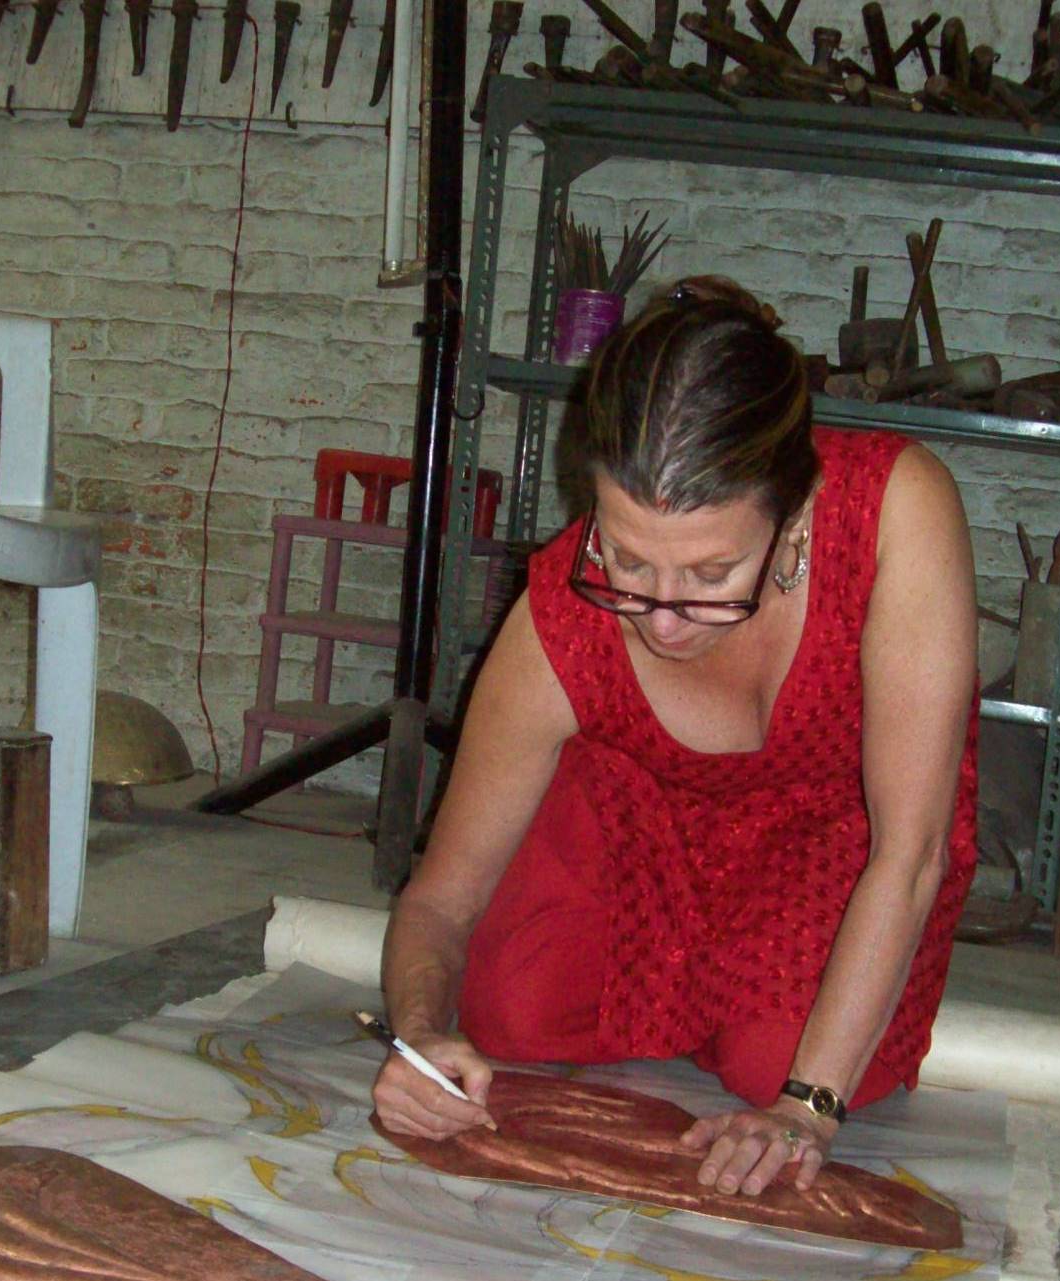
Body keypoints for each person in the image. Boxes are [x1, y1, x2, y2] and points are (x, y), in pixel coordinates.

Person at [373, 276, 978, 1201]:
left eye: (710, 572)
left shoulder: (895, 510)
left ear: (793, 508)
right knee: (510, 1010)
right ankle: (679, 994)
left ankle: (747, 1021)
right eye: (625, 558)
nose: (660, 618)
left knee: (776, 1061)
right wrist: (419, 1038)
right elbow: (442, 899)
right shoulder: (564, 608)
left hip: (836, 837)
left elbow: (912, 850)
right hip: (643, 826)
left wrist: (806, 1106)